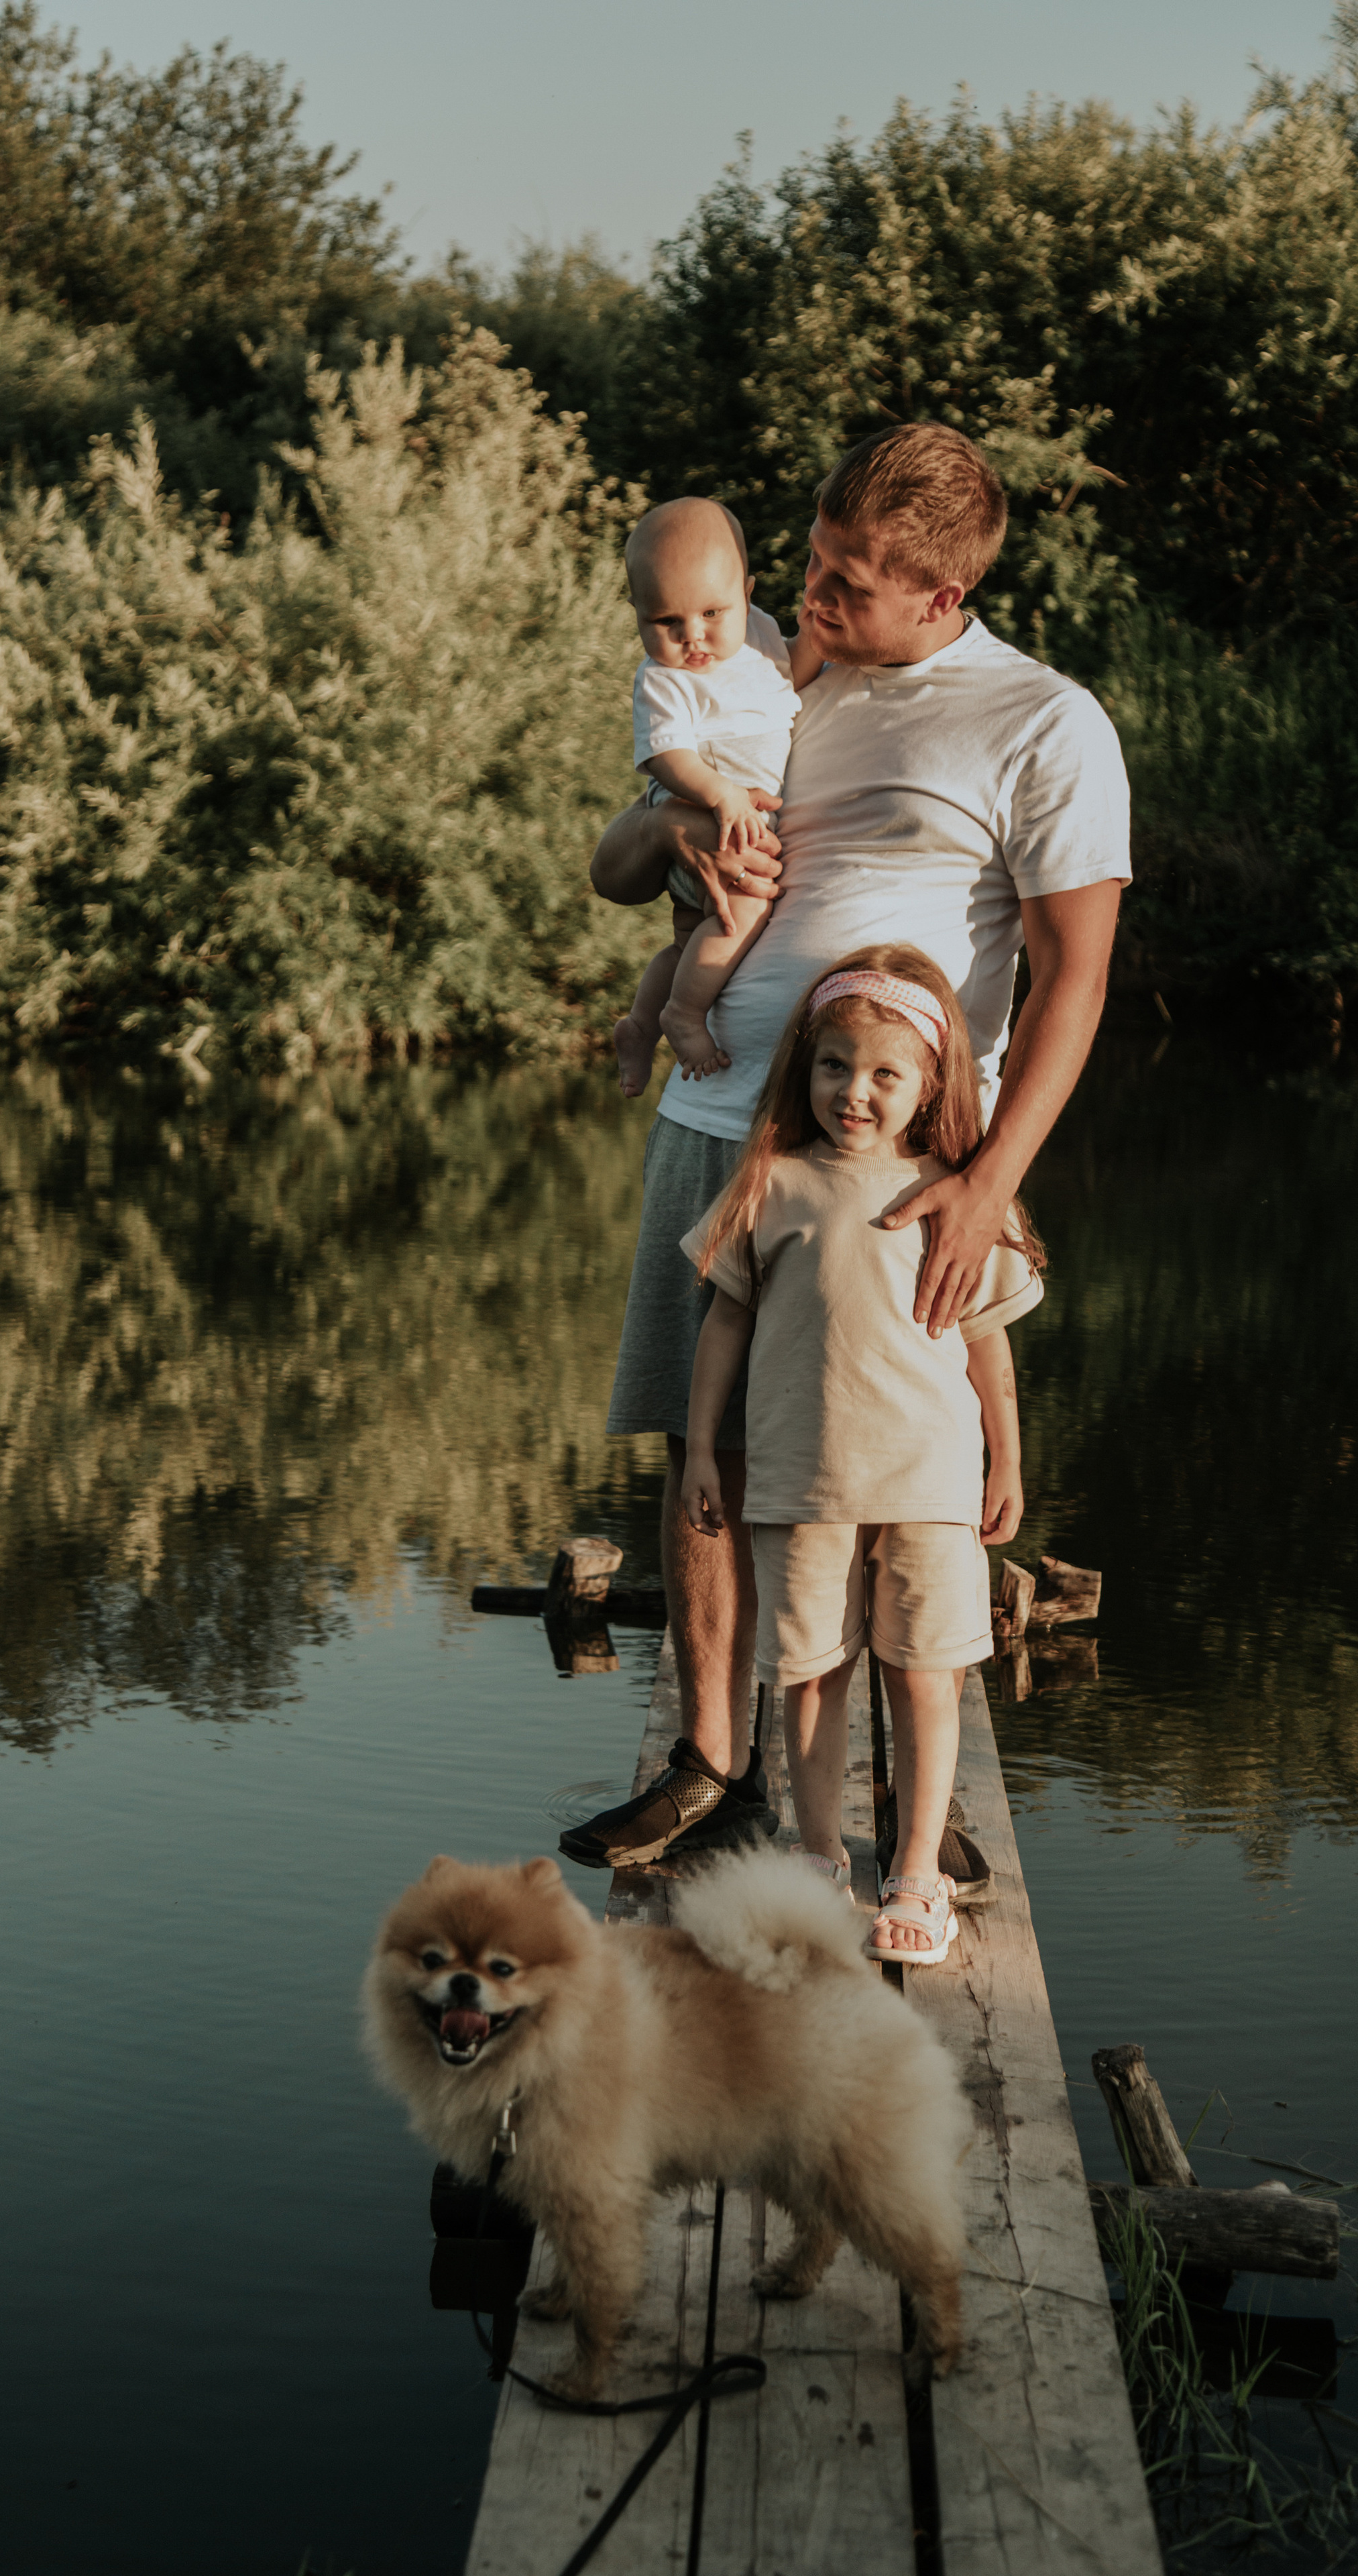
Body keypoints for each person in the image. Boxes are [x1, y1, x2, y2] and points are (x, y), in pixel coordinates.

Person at [560, 423, 1130, 1931]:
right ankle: (708, 1763)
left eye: (848, 586)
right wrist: (679, 814)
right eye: (809, 562)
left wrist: (990, 1174)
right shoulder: (755, 672)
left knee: (887, 1477)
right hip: (718, 1126)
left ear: (941, 595)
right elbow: (618, 870)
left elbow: (1074, 980)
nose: (805, 597)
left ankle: (902, 1818)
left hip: (898, 1167)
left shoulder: (1038, 723)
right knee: (705, 1457)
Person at [679, 947, 1041, 1962]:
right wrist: (705, 1449)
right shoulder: (773, 1182)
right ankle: (817, 1855)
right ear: (806, 1068)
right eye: (835, 1065)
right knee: (809, 1671)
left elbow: (988, 1346)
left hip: (929, 1481)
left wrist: (1005, 1462)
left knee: (926, 1674)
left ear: (931, 1085)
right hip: (801, 1481)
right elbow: (722, 1326)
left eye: (886, 1073)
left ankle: (918, 1871)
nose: (855, 1091)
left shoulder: (964, 1194)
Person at [612, 498, 823, 1096]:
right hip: (706, 819)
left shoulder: (755, 633)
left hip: (733, 822)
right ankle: (684, 1014)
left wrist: (814, 639)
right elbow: (664, 755)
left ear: (748, 593)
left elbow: (787, 678)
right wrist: (720, 794)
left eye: (711, 613)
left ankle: (640, 1025)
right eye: (666, 623)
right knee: (746, 908)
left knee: (688, 939)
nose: (693, 637)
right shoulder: (664, 679)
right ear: (638, 615)